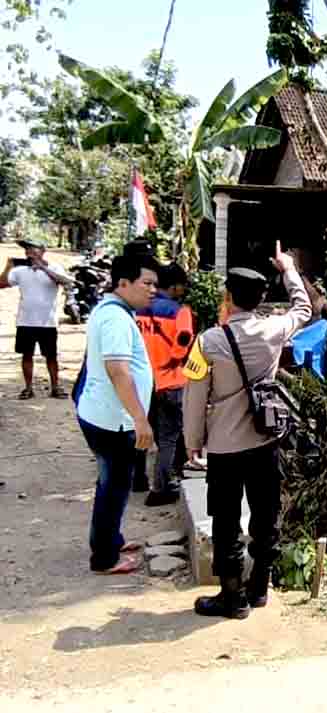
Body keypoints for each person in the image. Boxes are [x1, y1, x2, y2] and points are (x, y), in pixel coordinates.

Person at [184, 242, 310, 619]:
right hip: (266, 441)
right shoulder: (274, 330)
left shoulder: (207, 341)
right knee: (265, 516)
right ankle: (260, 589)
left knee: (225, 521)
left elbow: (194, 397)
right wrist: (288, 268)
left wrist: (193, 442)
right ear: (259, 300)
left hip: (224, 448)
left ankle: (232, 597)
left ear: (228, 297)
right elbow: (303, 308)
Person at [76, 254, 159, 574]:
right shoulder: (115, 319)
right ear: (123, 283)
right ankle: (105, 557)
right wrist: (140, 418)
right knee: (114, 486)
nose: (153, 290)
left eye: (155, 285)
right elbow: (118, 371)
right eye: (147, 284)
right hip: (113, 420)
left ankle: (110, 538)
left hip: (105, 413)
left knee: (112, 483)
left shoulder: (115, 311)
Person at [133, 263, 194, 505]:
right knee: (168, 437)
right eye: (183, 285)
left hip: (143, 382)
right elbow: (183, 344)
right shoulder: (180, 312)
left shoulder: (138, 309)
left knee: (144, 433)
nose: (184, 290)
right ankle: (160, 488)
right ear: (175, 286)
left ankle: (138, 479)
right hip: (170, 382)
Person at [0, 238, 75, 399]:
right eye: (26, 249)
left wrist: (43, 268)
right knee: (26, 355)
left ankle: (55, 387)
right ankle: (28, 388)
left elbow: (67, 281)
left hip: (47, 322)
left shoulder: (54, 267)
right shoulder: (20, 271)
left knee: (51, 356)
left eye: (32, 248)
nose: (28, 252)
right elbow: (2, 284)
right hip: (25, 321)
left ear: (42, 250)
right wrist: (8, 267)